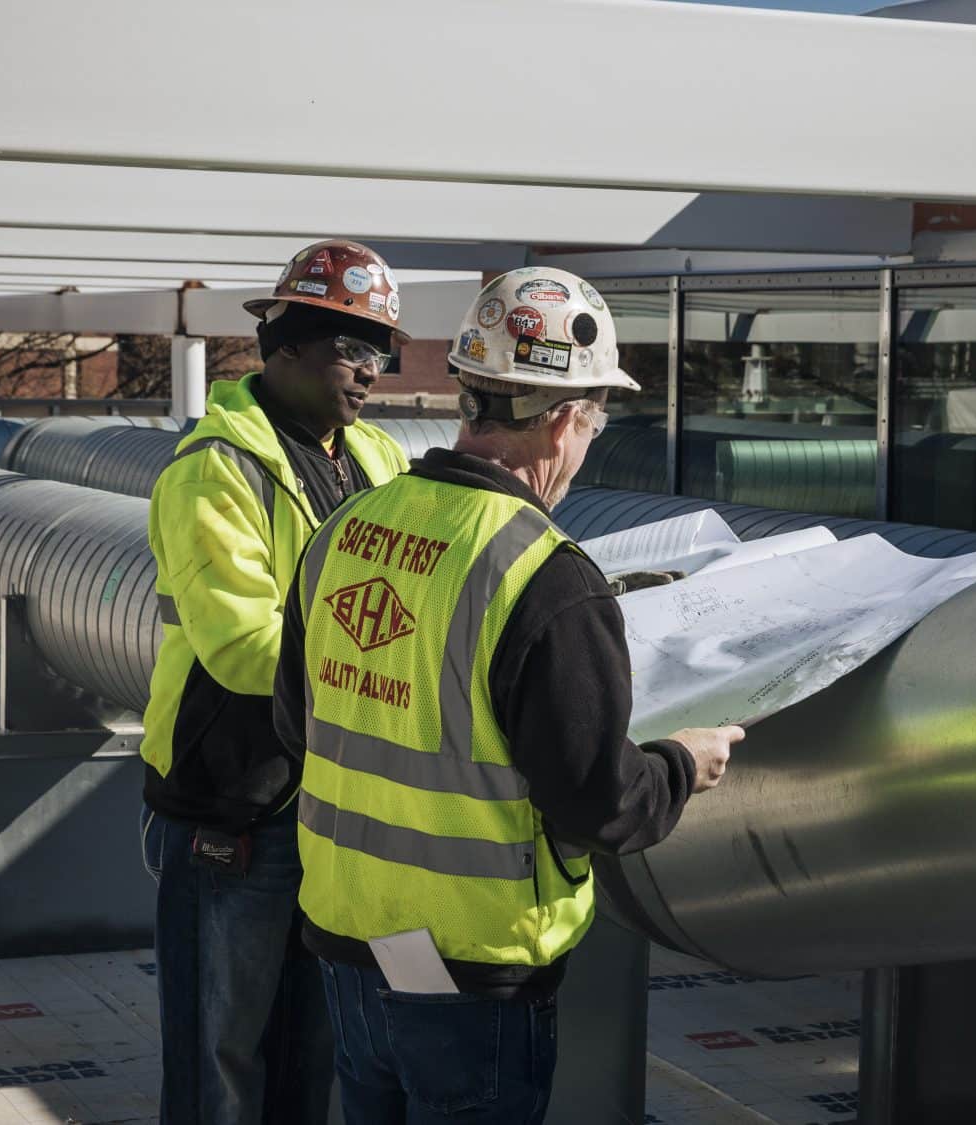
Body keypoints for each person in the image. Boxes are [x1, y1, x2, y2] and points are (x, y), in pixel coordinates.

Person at [272, 266, 743, 1124]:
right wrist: (682, 763)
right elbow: (595, 801)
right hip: (473, 977)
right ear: (566, 419)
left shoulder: (344, 531)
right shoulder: (545, 575)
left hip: (348, 946)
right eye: (592, 427)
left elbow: (295, 724)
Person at [139, 239, 412, 1124]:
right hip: (237, 806)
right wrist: (394, 677)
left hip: (334, 806)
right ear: (286, 343)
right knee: (223, 1056)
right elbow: (244, 649)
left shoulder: (378, 462)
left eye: (383, 353)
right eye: (353, 349)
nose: (372, 372)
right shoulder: (214, 470)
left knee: (315, 1048)